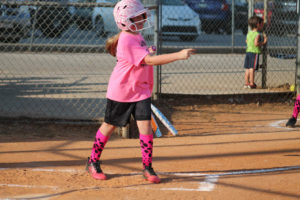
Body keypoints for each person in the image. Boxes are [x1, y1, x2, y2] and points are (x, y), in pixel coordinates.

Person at [85, 0, 195, 184]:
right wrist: (179, 55)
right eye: (140, 16)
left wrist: (148, 51)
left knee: (145, 128)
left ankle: (147, 167)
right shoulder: (127, 38)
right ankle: (93, 162)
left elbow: (141, 58)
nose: (145, 18)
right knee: (109, 126)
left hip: (140, 90)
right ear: (126, 21)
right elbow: (149, 61)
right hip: (122, 91)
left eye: (144, 15)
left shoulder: (136, 35)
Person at [243, 15, 267, 89]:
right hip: (254, 52)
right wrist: (263, 42)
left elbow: (246, 41)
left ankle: (246, 83)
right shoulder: (257, 34)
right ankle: (251, 83)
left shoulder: (249, 33)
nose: (262, 26)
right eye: (262, 24)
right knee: (252, 68)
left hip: (248, 52)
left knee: (247, 68)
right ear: (258, 25)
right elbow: (256, 44)